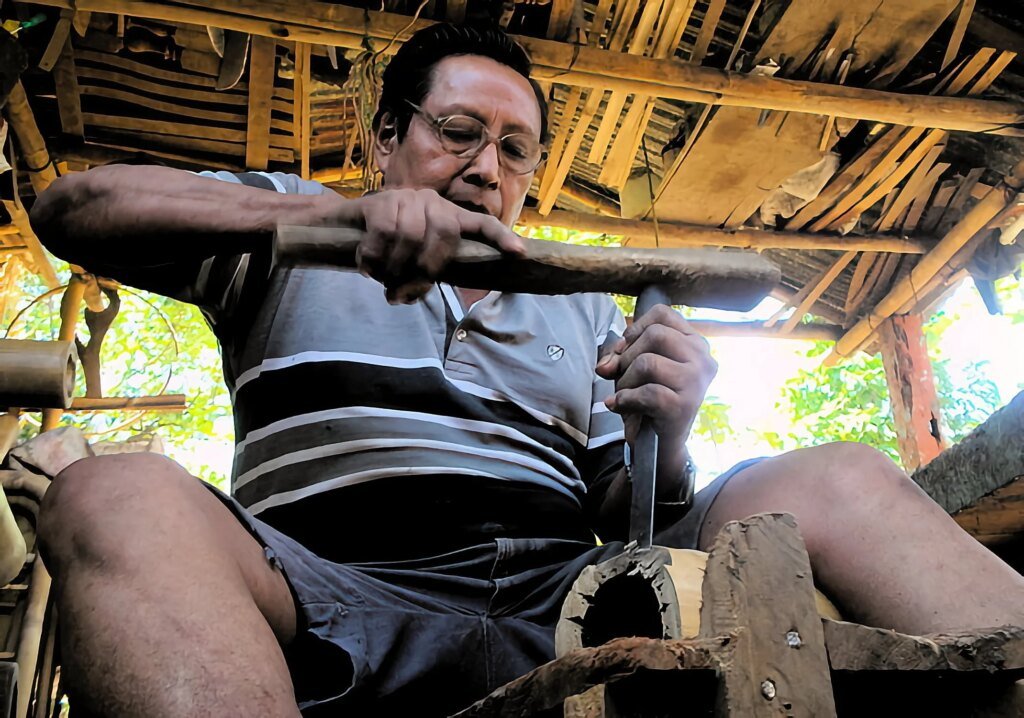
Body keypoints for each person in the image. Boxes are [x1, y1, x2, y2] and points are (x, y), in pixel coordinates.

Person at [30, 23, 1024, 718]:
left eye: (514, 150)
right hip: (336, 590)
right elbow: (77, 208)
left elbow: (622, 504)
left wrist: (665, 426)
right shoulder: (289, 229)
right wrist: (325, 221)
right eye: (455, 133)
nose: (484, 167)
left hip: (561, 593)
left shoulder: (579, 295)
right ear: (387, 139)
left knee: (839, 473)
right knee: (110, 490)